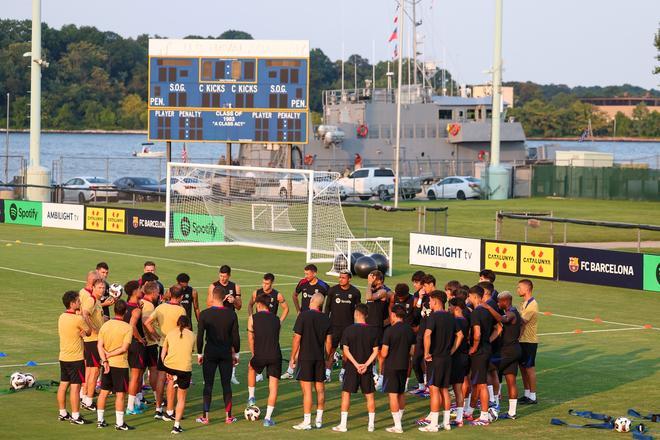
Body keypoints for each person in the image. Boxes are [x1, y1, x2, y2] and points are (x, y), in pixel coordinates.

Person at [196, 285, 240, 425]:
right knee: (226, 384)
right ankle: (228, 416)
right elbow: (236, 337)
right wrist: (236, 354)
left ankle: (205, 417)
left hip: (210, 352)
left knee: (208, 384)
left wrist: (199, 353)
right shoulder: (231, 314)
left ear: (212, 297)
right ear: (225, 297)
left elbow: (200, 336)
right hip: (226, 353)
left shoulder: (204, 314)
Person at [420, 290, 463, 432]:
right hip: (447, 358)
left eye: (431, 301)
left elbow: (427, 334)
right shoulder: (451, 317)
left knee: (434, 390)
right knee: (444, 389)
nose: (429, 303)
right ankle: (446, 423)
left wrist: (426, 353)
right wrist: (451, 351)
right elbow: (460, 335)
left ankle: (433, 424)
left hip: (435, 358)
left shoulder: (433, 317)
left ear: (436, 301)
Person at [332, 303, 379, 433]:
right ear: (366, 315)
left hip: (352, 368)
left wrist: (356, 364)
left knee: (346, 394)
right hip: (367, 369)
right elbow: (376, 351)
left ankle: (343, 425)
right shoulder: (373, 331)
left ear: (356, 314)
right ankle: (371, 425)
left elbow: (345, 351)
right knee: (369, 396)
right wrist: (365, 364)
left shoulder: (348, 330)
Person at [143, 286, 186, 421]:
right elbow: (183, 328)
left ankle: (158, 409)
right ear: (180, 297)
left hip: (163, 346)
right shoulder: (181, 310)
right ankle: (170, 411)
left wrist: (157, 336)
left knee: (161, 377)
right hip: (175, 347)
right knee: (173, 378)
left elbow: (148, 322)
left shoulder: (160, 307)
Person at [290, 293, 332, 430]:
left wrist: (292, 357)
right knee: (320, 390)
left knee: (307, 391)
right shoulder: (326, 318)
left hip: (306, 358)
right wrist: (326, 358)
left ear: (313, 301)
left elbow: (297, 338)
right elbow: (329, 342)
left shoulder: (303, 316)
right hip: (319, 358)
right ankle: (319, 420)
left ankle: (307, 422)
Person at [282, 265, 328, 379]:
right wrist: (298, 310)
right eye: (305, 273)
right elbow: (294, 295)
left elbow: (330, 298)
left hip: (316, 319)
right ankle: (290, 370)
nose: (305, 276)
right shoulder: (302, 282)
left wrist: (325, 313)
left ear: (314, 273)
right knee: (297, 339)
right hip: (303, 318)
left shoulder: (323, 285)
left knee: (314, 342)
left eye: (307, 274)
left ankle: (324, 369)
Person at [96, 300, 134, 430]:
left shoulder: (105, 325)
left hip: (107, 365)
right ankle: (119, 423)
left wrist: (105, 360)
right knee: (120, 394)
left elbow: (99, 345)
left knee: (103, 393)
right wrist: (110, 355)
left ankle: (100, 421)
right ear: (126, 312)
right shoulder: (128, 327)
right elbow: (124, 348)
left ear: (114, 310)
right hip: (120, 365)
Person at [247, 294, 283, 427]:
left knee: (251, 368)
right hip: (275, 355)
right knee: (273, 388)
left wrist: (253, 353)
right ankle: (267, 419)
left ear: (259, 304)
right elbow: (275, 337)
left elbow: (251, 338)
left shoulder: (253, 318)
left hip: (260, 354)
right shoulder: (277, 319)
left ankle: (251, 397)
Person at [57, 290, 91, 425]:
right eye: (78, 301)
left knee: (63, 384)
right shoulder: (78, 319)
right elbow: (88, 332)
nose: (80, 302)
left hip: (63, 356)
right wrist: (83, 332)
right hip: (75, 358)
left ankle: (63, 413)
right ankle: (76, 417)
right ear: (72, 303)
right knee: (76, 388)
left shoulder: (62, 317)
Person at [381, 304, 416, 433]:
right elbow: (413, 351)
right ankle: (398, 421)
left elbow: (384, 353)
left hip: (392, 365)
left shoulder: (389, 330)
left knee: (393, 395)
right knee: (401, 393)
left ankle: (397, 426)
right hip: (404, 365)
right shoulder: (409, 330)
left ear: (394, 315)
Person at [324, 270, 361, 382]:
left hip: (348, 328)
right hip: (333, 327)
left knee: (346, 352)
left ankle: (343, 373)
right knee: (330, 351)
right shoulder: (333, 290)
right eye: (340, 277)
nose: (341, 279)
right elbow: (327, 308)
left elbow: (358, 310)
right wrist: (325, 323)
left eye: (343, 277)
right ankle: (327, 373)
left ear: (349, 279)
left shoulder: (355, 292)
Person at [207, 265, 242, 384]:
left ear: (229, 276)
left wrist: (234, 301)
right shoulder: (213, 286)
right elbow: (208, 303)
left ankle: (232, 375)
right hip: (216, 320)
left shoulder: (235, 286)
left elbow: (239, 306)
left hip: (230, 320)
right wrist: (221, 300)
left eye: (225, 276)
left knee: (232, 346)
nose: (222, 279)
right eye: (221, 276)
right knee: (213, 345)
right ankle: (210, 373)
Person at [465, 285, 494, 426]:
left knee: (481, 384)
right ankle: (470, 411)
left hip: (480, 351)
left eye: (469, 296)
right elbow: (498, 327)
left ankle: (484, 416)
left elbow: (477, 334)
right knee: (476, 382)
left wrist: (474, 348)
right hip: (486, 349)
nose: (468, 299)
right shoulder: (487, 311)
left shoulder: (476, 313)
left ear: (475, 297)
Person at [161, 315, 196, 434]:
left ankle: (168, 411)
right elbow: (191, 351)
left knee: (171, 380)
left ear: (177, 324)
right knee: (181, 398)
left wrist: (166, 368)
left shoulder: (170, 333)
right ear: (188, 325)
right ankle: (176, 426)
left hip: (170, 365)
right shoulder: (192, 335)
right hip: (184, 368)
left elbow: (163, 352)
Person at [80, 274, 105, 411]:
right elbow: (85, 314)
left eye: (103, 287)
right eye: (99, 287)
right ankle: (88, 401)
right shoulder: (92, 300)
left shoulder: (97, 301)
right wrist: (93, 328)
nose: (101, 290)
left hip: (92, 340)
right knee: (94, 371)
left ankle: (85, 398)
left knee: (90, 371)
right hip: (93, 340)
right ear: (93, 288)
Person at [496, 291, 522, 420]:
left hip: (507, 351)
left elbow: (503, 319)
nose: (497, 303)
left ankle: (493, 408)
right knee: (511, 381)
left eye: (499, 301)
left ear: (505, 301)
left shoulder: (511, 313)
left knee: (492, 373)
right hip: (515, 348)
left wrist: (489, 308)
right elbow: (522, 323)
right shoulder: (515, 311)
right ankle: (512, 413)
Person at [123, 281, 147, 416]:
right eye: (139, 288)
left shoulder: (125, 306)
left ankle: (135, 403)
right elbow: (132, 326)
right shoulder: (136, 310)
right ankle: (130, 407)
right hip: (135, 344)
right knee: (135, 376)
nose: (141, 290)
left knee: (135, 376)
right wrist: (139, 338)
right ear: (133, 292)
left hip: (126, 343)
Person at [366, 269, 391, 389]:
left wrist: (369, 284)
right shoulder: (373, 289)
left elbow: (369, 298)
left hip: (378, 326)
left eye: (373, 278)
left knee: (380, 353)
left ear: (380, 280)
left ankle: (382, 378)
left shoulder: (383, 291)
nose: (371, 279)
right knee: (371, 352)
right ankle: (374, 374)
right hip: (369, 325)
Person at [448, 295, 470, 427]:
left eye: (450, 306)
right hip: (464, 355)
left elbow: (459, 338)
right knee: (458, 387)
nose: (448, 308)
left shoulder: (456, 321)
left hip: (457, 357)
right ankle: (460, 417)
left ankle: (458, 418)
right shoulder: (465, 320)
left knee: (454, 388)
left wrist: (451, 351)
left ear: (456, 307)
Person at [517, 279, 539, 405]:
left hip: (529, 341)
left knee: (529, 368)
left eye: (519, 287)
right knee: (523, 368)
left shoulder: (532, 305)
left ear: (527, 289)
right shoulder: (524, 303)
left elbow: (522, 321)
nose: (518, 290)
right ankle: (526, 394)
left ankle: (533, 396)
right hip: (522, 340)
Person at [140, 281, 161, 407]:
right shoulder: (149, 305)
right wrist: (154, 337)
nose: (159, 294)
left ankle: (138, 398)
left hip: (142, 342)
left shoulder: (141, 302)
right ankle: (156, 397)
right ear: (153, 292)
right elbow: (146, 322)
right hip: (149, 344)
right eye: (158, 292)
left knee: (139, 371)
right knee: (154, 370)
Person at [409, 271, 428, 396]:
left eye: (416, 282)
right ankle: (423, 385)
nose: (414, 285)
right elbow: (415, 314)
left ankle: (427, 385)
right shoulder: (416, 295)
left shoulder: (431, 296)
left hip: (427, 332)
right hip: (419, 332)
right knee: (417, 359)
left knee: (425, 359)